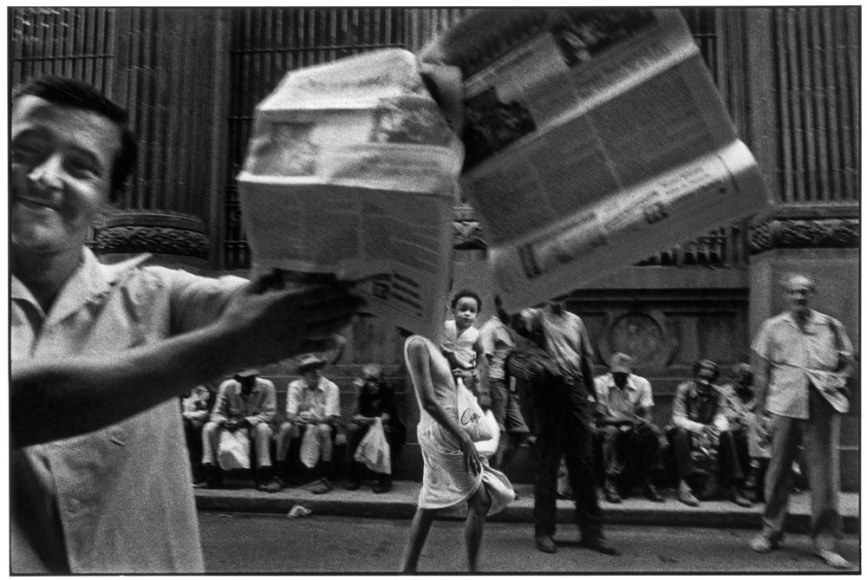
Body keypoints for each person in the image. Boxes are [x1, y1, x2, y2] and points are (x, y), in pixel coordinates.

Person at [10, 75, 361, 573]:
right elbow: (19, 405)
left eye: (80, 167)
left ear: (107, 202)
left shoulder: (157, 293)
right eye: (24, 150)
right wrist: (223, 347)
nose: (44, 177)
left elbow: (270, 309)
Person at [749, 274, 855, 569]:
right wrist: (760, 412)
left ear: (813, 294)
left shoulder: (831, 326)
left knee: (824, 477)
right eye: (794, 293)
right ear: (786, 296)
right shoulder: (772, 327)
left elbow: (849, 362)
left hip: (821, 407)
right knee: (778, 470)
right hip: (783, 405)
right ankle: (771, 531)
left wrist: (840, 377)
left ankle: (825, 542)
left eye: (805, 292)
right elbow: (761, 373)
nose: (800, 297)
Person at [508, 301, 618, 556]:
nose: (561, 294)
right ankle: (544, 531)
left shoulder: (575, 321)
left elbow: (586, 360)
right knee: (548, 463)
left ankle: (592, 531)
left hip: (576, 391)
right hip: (549, 393)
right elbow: (517, 322)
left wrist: (594, 399)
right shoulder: (535, 316)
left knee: (584, 462)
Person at [401, 333, 514, 573]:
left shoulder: (438, 348)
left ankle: (408, 570)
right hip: (443, 433)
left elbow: (458, 387)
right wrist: (463, 438)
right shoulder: (417, 344)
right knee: (481, 500)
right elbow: (429, 401)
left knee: (429, 503)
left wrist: (468, 375)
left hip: (446, 430)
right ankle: (472, 572)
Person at [667, 360, 751, 508]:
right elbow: (678, 418)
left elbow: (721, 416)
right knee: (680, 432)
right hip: (686, 432)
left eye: (710, 379)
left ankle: (734, 485)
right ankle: (685, 484)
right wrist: (702, 428)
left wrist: (714, 428)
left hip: (707, 433)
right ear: (695, 376)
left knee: (728, 434)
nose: (705, 382)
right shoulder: (684, 389)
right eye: (702, 377)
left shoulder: (718, 393)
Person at [593, 352, 664, 503]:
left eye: (624, 374)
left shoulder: (642, 383)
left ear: (631, 372)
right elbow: (599, 418)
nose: (620, 378)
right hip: (607, 425)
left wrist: (645, 422)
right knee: (611, 433)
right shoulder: (600, 383)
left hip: (631, 425)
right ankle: (610, 481)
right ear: (611, 372)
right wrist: (625, 420)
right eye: (617, 374)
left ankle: (648, 480)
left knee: (652, 432)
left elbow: (648, 414)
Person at [198, 370, 281, 492]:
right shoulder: (227, 386)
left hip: (255, 427)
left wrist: (245, 421)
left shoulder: (267, 386)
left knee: (263, 428)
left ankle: (263, 475)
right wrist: (225, 422)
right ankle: (212, 474)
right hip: (232, 428)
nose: (249, 382)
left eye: (252, 378)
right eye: (245, 379)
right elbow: (216, 414)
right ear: (238, 379)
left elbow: (269, 414)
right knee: (209, 428)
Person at [477, 295, 531, 470]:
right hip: (494, 382)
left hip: (507, 387)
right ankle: (490, 483)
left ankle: (498, 476)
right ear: (499, 305)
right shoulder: (491, 328)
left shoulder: (507, 329)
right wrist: (484, 392)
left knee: (520, 432)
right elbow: (484, 361)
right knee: (497, 434)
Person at [276, 354, 342, 494]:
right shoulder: (294, 386)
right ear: (304, 373)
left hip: (324, 424)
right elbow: (290, 414)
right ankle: (280, 476)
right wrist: (297, 419)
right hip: (301, 425)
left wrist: (315, 421)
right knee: (285, 427)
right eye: (312, 370)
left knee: (323, 429)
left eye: (318, 368)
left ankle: (325, 478)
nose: (316, 372)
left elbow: (331, 417)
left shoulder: (331, 387)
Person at [345, 363, 405, 493]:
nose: (372, 384)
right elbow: (353, 416)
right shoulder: (363, 390)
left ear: (382, 380)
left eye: (375, 380)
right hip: (369, 425)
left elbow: (386, 418)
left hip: (389, 427)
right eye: (368, 380)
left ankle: (385, 480)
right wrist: (357, 394)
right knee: (353, 431)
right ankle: (353, 477)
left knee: (384, 434)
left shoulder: (388, 389)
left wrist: (366, 420)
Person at [441, 289, 484, 394]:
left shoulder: (475, 334)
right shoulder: (446, 325)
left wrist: (477, 370)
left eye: (472, 311)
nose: (467, 314)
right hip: (444, 366)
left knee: (462, 396)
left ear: (477, 315)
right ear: (453, 310)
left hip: (463, 370)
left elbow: (481, 354)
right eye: (463, 309)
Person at [182, 385, 213, 484]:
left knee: (200, 430)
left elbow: (207, 412)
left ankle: (201, 474)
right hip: (188, 421)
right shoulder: (182, 393)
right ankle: (196, 474)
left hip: (202, 421)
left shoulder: (207, 391)